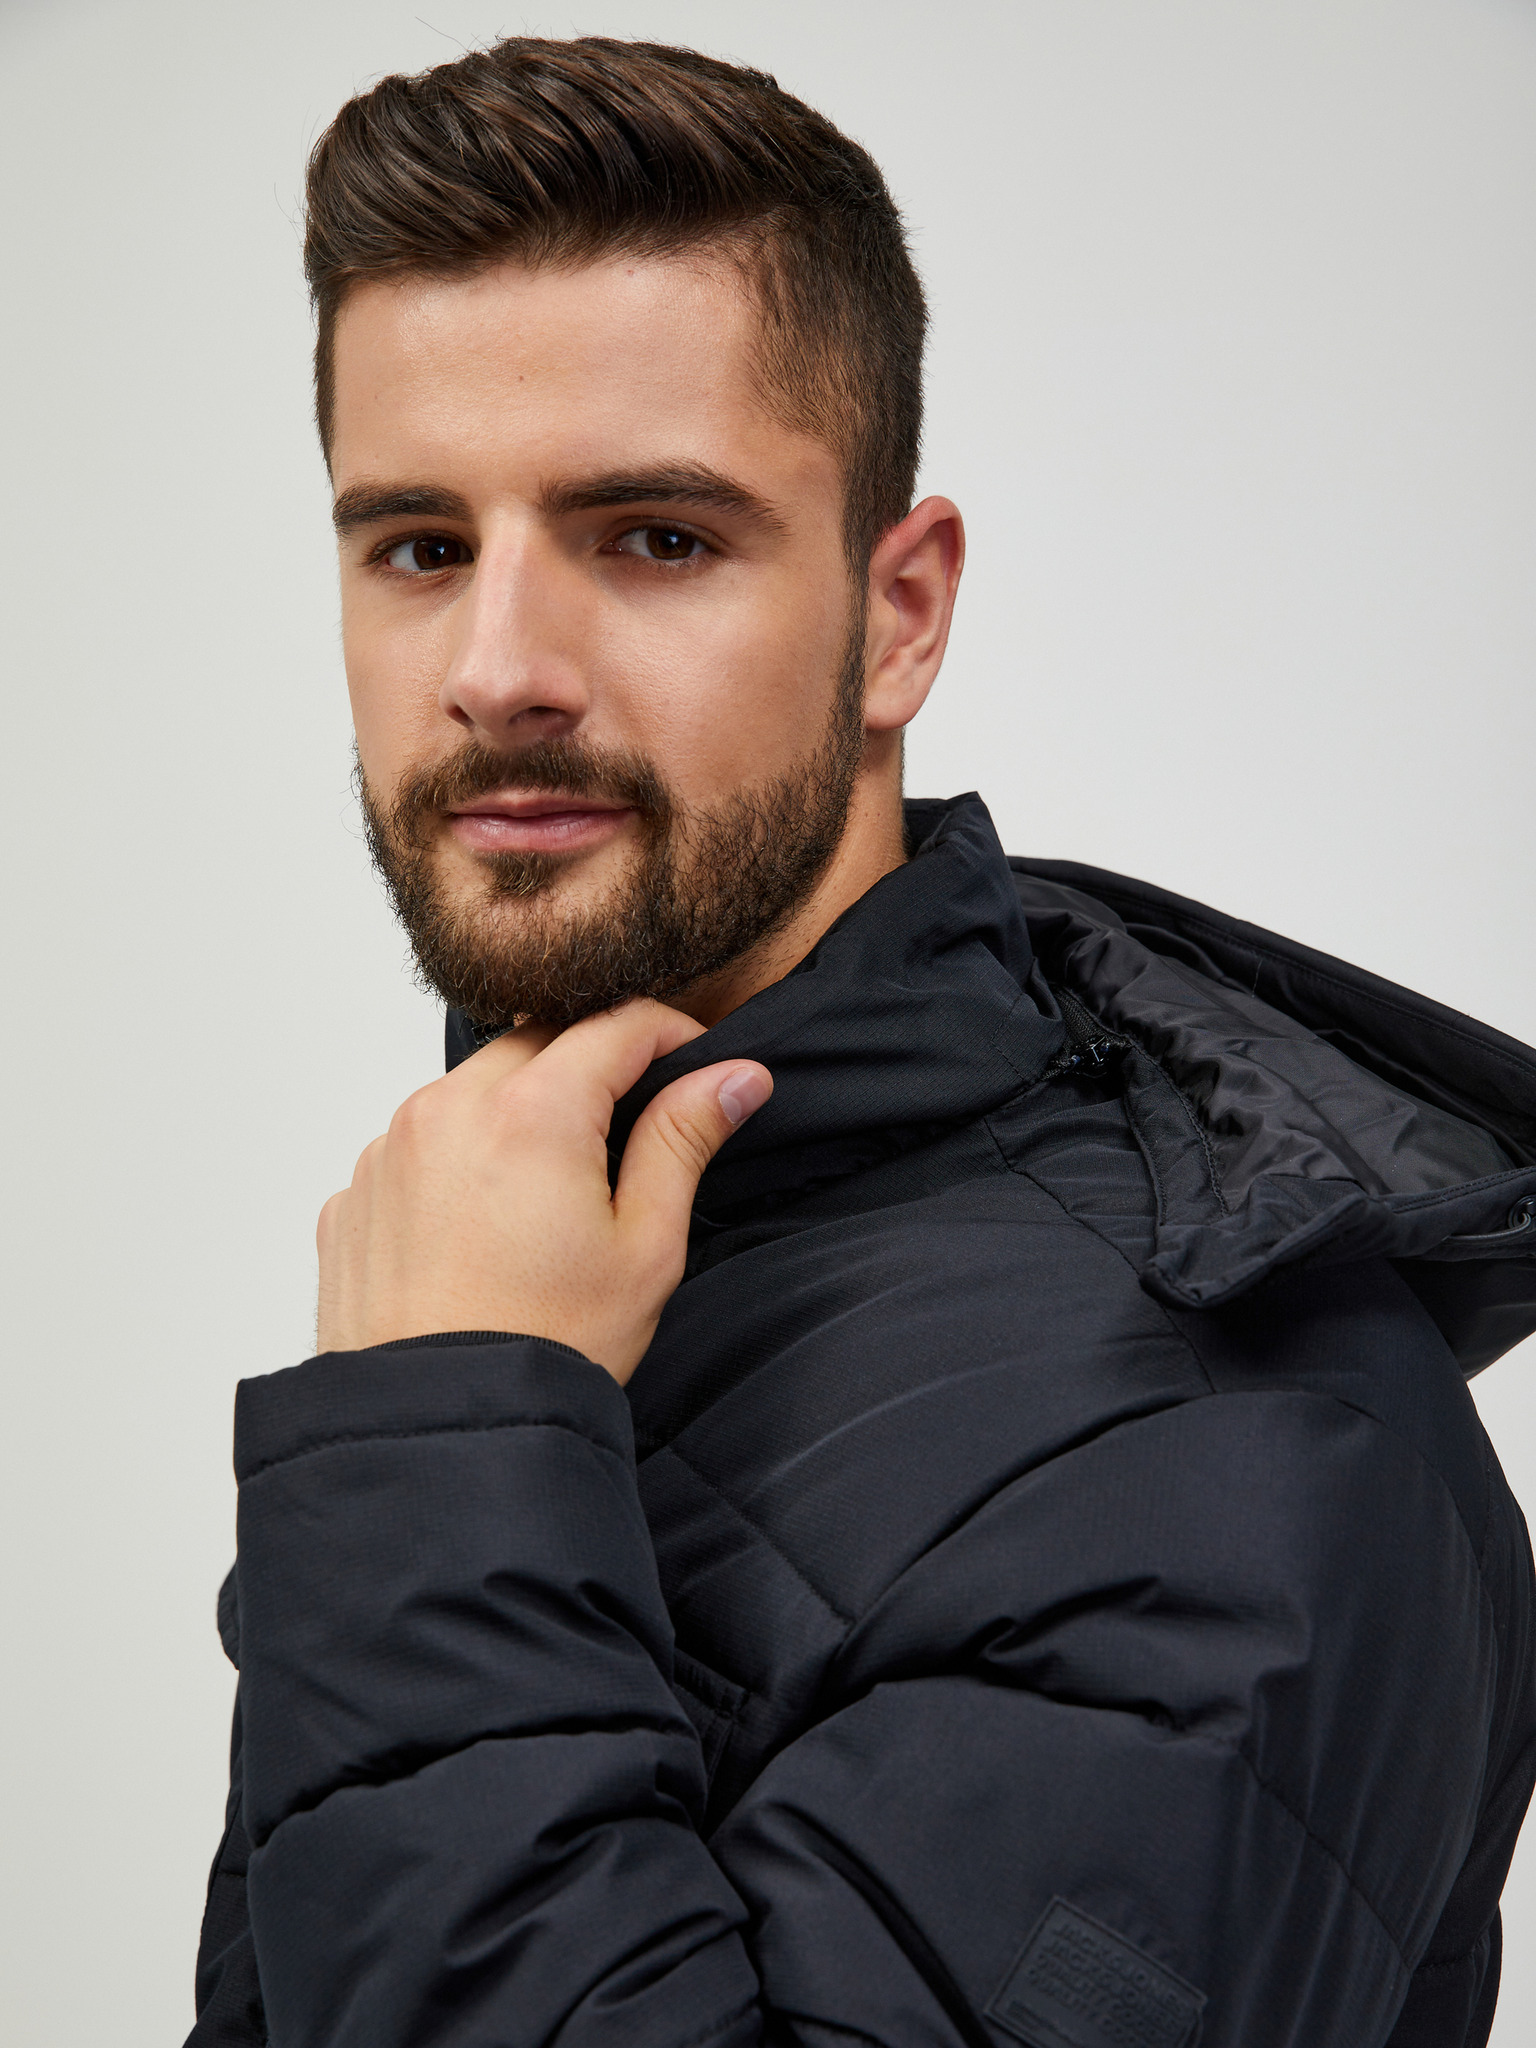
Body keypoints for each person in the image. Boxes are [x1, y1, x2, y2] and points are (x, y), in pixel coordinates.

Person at [187, 37, 1536, 2048]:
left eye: (654, 536)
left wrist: (443, 1439)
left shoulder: (1244, 1466)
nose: (496, 667)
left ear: (899, 614)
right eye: (420, 546)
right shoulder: (535, 1250)